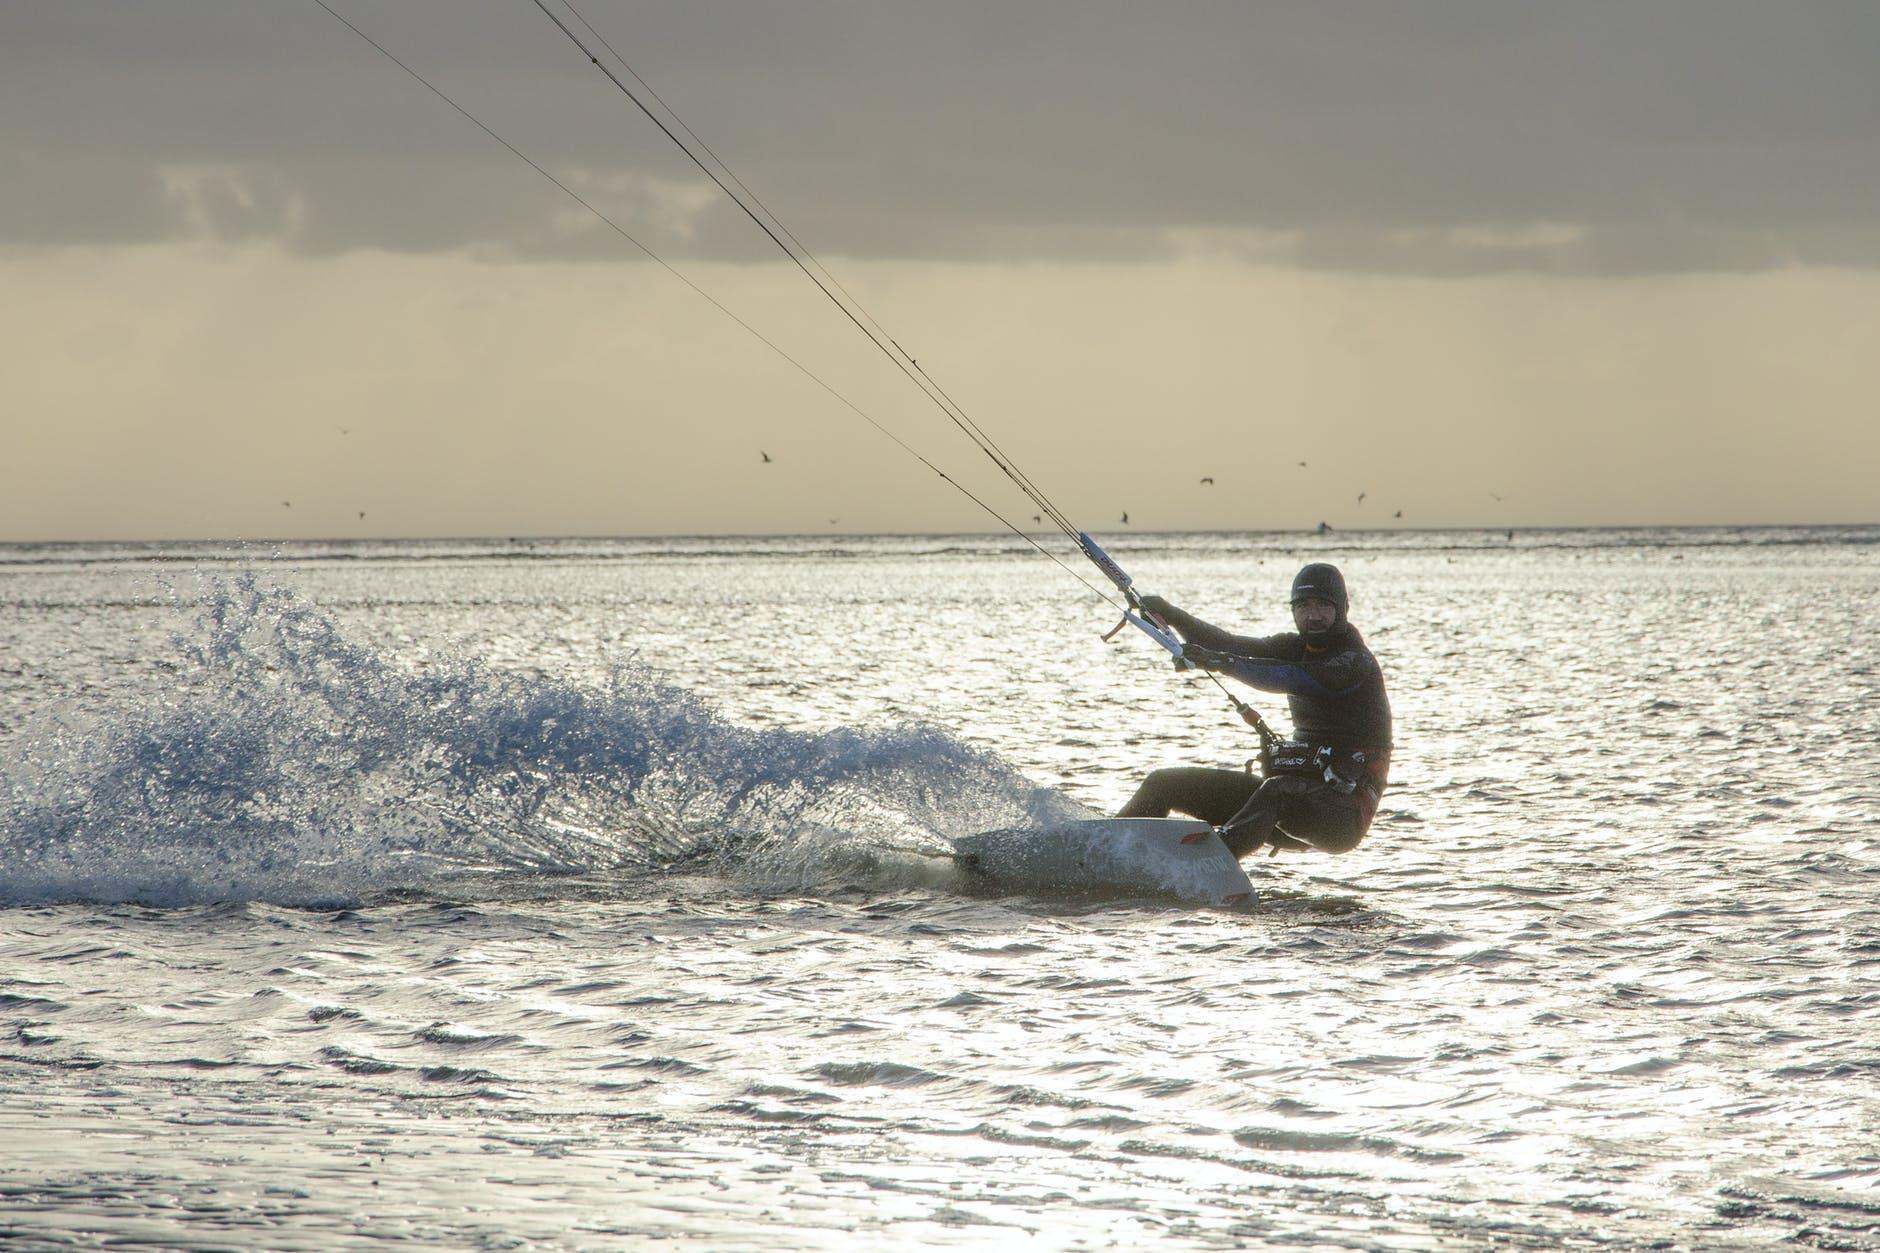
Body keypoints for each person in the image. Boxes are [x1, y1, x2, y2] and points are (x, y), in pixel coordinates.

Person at [1117, 562, 1391, 858]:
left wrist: (1221, 662)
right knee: (1164, 783)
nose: (1313, 616)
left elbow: (1291, 677)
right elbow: (1227, 643)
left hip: (1340, 816)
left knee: (1277, 791)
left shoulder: (1353, 662)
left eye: (1323, 606)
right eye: (1303, 606)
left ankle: (1204, 865)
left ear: (1344, 608)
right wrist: (1169, 613)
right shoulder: (1293, 647)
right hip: (1285, 800)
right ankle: (1108, 851)